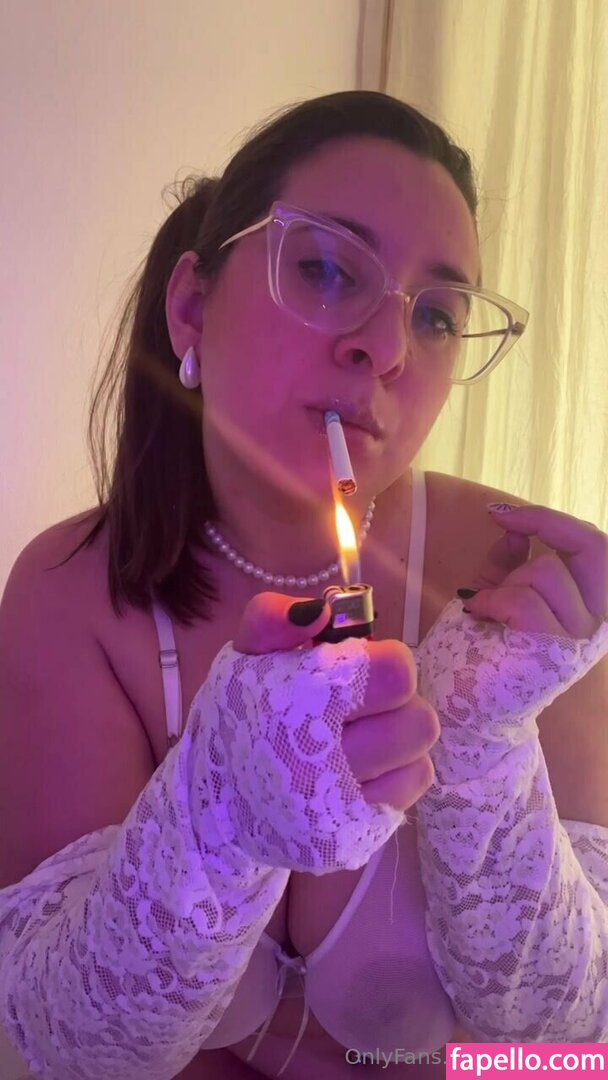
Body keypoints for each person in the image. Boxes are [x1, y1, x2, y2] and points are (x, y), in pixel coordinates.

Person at [1, 90, 608, 1080]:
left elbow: (574, 1045)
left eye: (437, 315)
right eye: (327, 268)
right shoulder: (68, 592)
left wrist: (481, 749)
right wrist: (215, 810)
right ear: (192, 305)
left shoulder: (518, 588)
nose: (389, 349)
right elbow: (68, 1044)